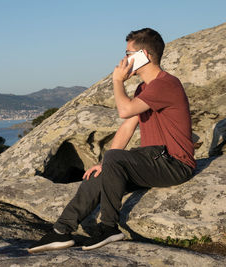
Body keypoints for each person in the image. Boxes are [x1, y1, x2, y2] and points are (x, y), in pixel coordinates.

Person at [28, 28, 196, 253]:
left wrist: (116, 80)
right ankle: (60, 231)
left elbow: (125, 111)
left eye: (128, 54)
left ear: (144, 55)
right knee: (101, 171)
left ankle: (108, 227)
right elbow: (128, 125)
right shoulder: (144, 88)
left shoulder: (166, 84)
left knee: (113, 158)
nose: (123, 60)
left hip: (174, 163)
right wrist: (104, 165)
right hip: (154, 160)